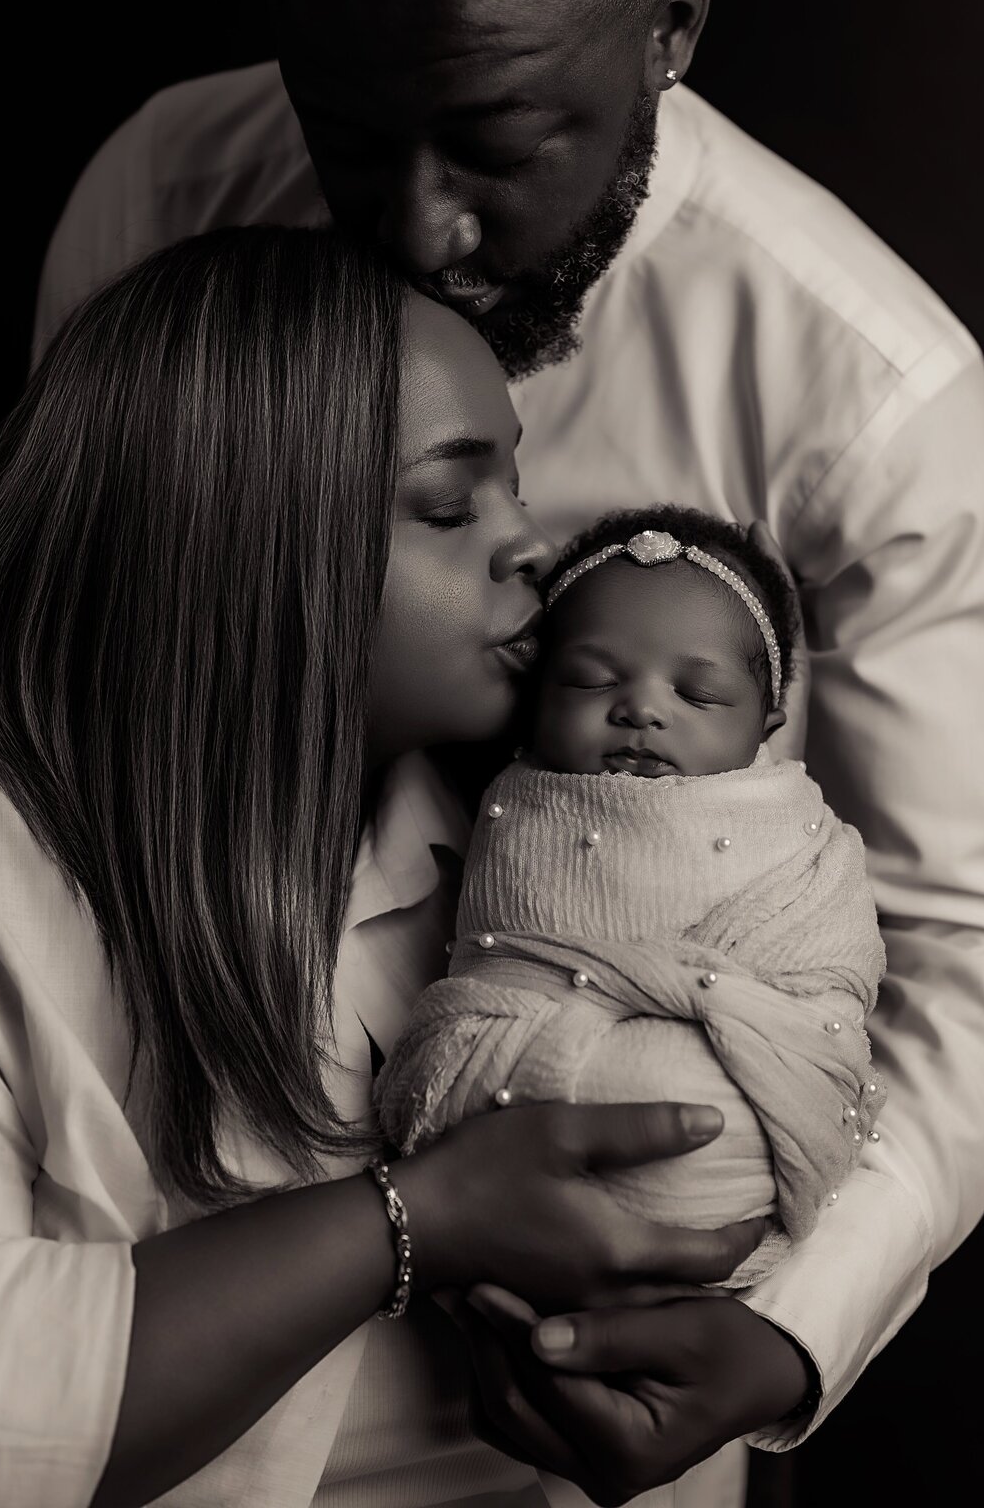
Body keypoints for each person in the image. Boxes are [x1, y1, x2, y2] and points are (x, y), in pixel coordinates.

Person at [30, 0, 984, 1492]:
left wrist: (788, 1327)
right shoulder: (159, 199)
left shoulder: (867, 398)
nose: (416, 226)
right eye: (348, 131)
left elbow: (976, 949)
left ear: (670, 29)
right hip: (143, 1289)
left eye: (496, 142)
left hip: (571, 1378)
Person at [0, 225, 801, 1508]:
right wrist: (407, 1222)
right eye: (447, 504)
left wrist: (778, 1336)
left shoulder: (561, 804)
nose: (533, 547)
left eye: (516, 489)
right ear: (241, 544)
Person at [378, 506, 886, 1294]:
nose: (642, 709)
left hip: (748, 1112)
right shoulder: (513, 806)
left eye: (700, 693)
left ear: (769, 724)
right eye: (591, 679)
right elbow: (496, 966)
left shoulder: (802, 838)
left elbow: (829, 974)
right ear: (535, 697)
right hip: (505, 1138)